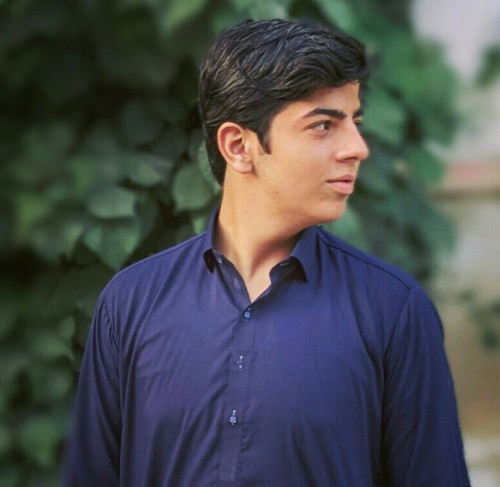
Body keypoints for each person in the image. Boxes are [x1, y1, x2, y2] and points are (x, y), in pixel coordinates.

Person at [62, 19, 471, 486]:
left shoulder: (393, 311)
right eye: (323, 125)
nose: (357, 148)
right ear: (239, 146)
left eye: (354, 123)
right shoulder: (130, 303)